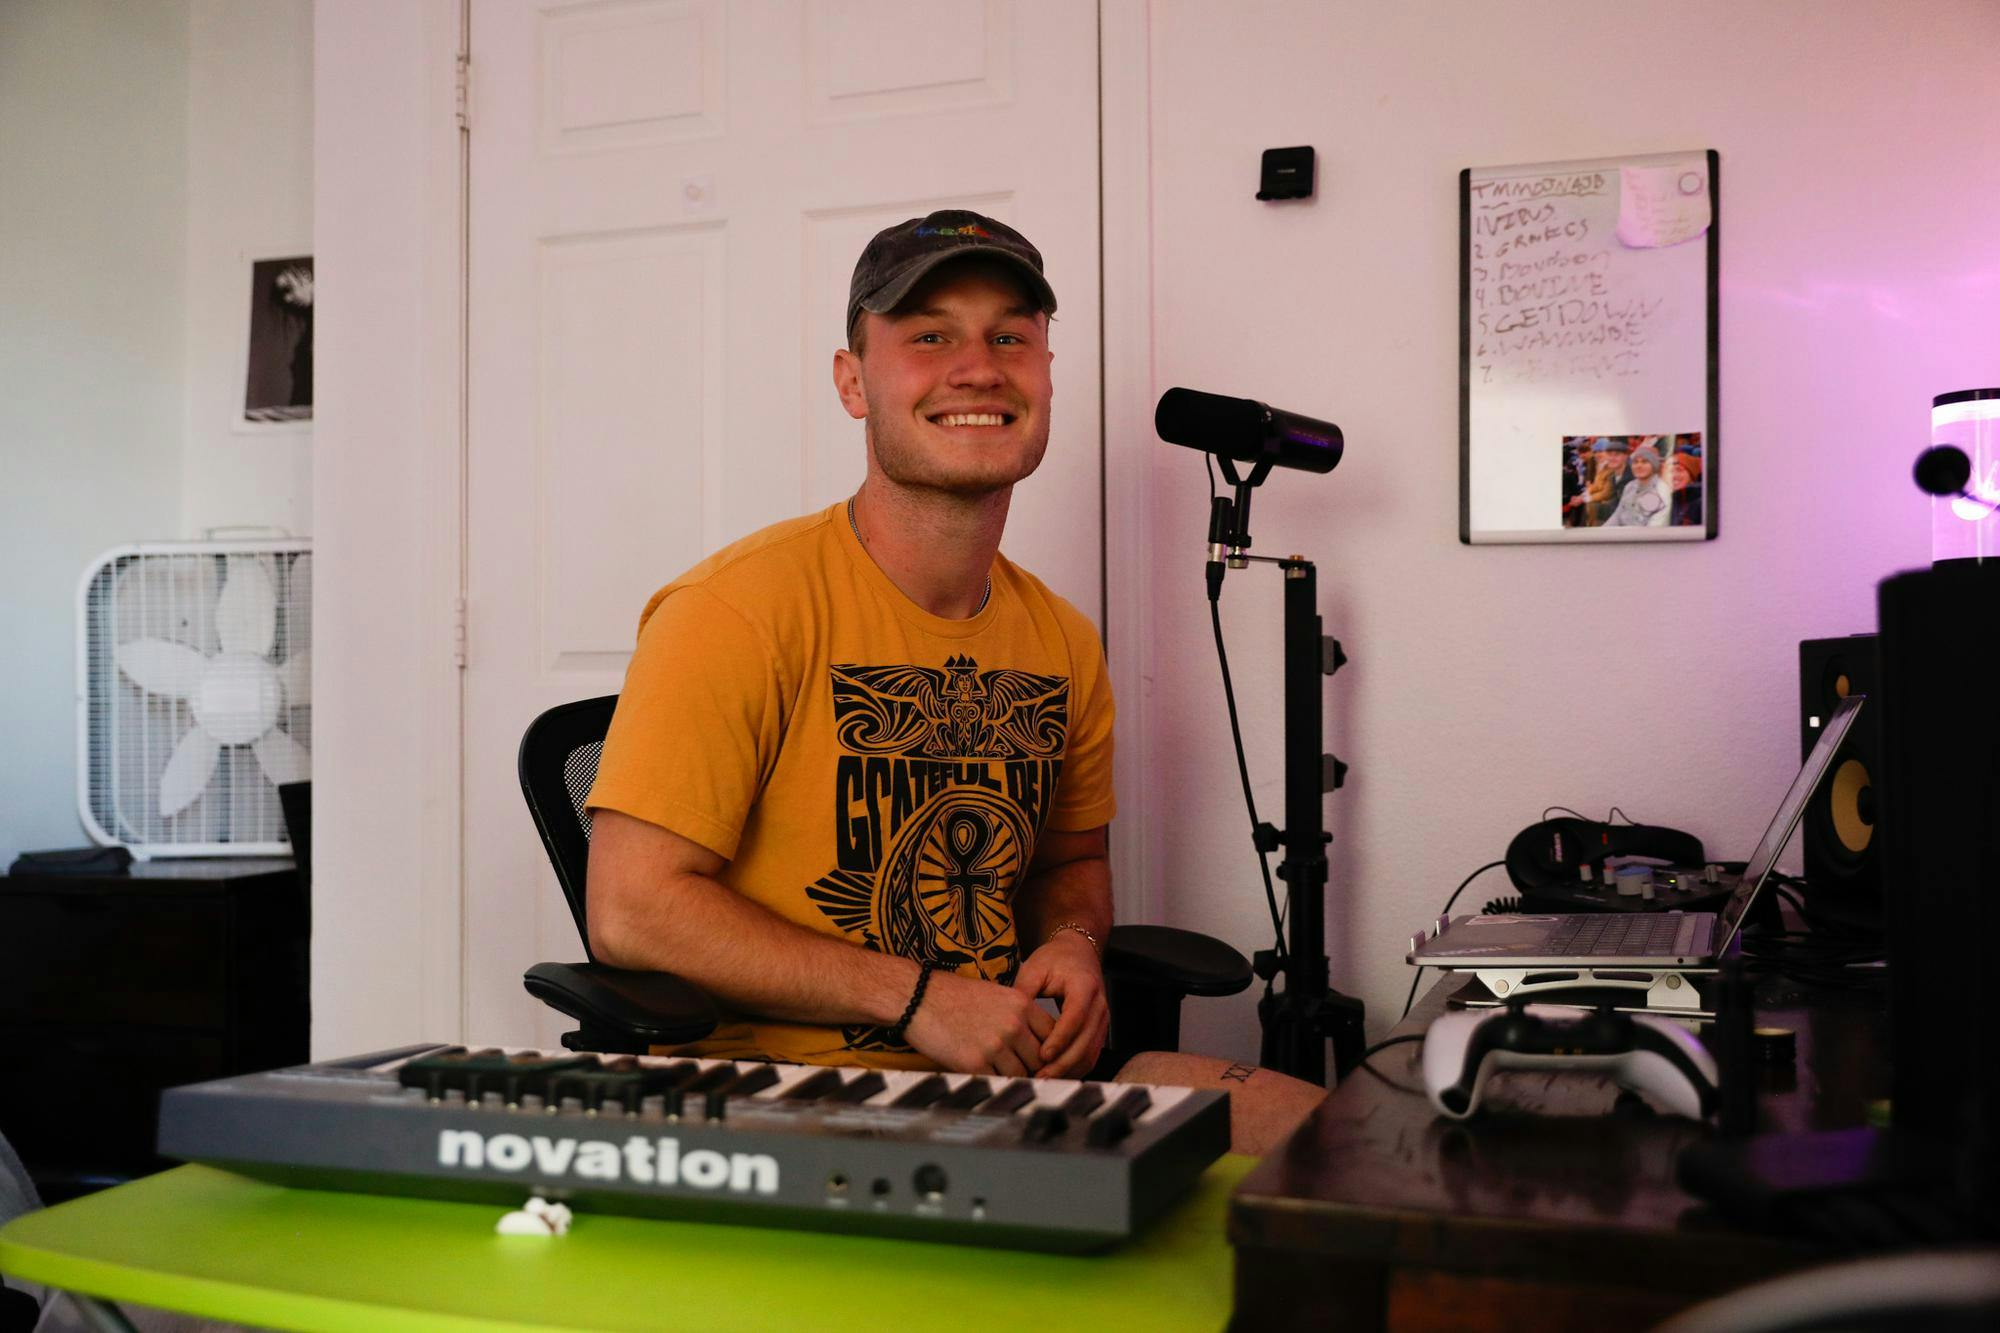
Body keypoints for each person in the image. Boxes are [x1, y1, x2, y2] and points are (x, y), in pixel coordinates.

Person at [583, 210, 1322, 1153]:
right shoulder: (735, 611)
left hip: (1008, 1088)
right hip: (787, 1107)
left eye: (1011, 336)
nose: (979, 367)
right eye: (929, 335)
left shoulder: (1061, 640)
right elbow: (631, 909)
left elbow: (1071, 864)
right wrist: (920, 998)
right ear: (852, 382)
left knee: (1346, 1143)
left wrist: (1073, 944)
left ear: (1046, 376)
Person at [1604, 442, 1671, 527]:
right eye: (1635, 462)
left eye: (1644, 462)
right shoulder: (1630, 486)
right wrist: (1602, 532)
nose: (1639, 466)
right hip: (1620, 534)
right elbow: (1617, 515)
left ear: (1654, 465)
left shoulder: (1661, 490)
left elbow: (1654, 527)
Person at [1583, 438, 1631, 526]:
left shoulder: (1630, 476)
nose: (1612, 458)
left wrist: (1589, 498)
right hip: (1612, 507)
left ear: (1625, 456)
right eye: (1610, 454)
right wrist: (1586, 494)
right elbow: (1597, 486)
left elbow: (1607, 493)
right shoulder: (1611, 473)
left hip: (1627, 517)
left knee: (1591, 506)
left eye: (1617, 455)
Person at [1669, 452, 1703, 526]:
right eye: (1670, 471)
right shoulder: (1667, 501)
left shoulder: (1702, 503)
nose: (1673, 475)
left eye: (1679, 470)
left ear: (1691, 475)